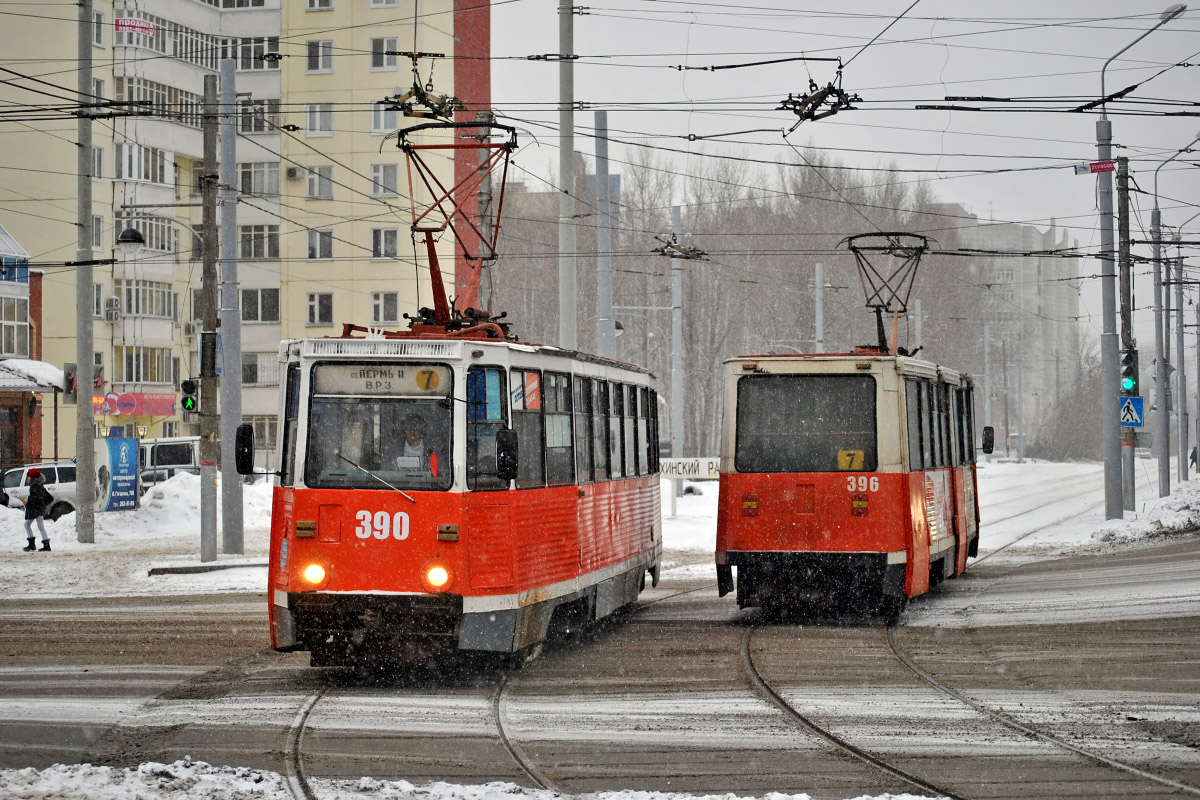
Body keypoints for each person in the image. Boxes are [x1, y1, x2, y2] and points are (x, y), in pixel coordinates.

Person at [22, 468, 52, 552]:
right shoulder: (38, 485)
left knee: (27, 525)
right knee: (40, 526)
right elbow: (42, 497)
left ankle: (32, 544)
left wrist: (28, 499)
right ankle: (46, 545)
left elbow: (37, 498)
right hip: (38, 509)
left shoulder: (36, 486)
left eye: (28, 476)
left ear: (32, 477)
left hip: (36, 509)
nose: (27, 478)